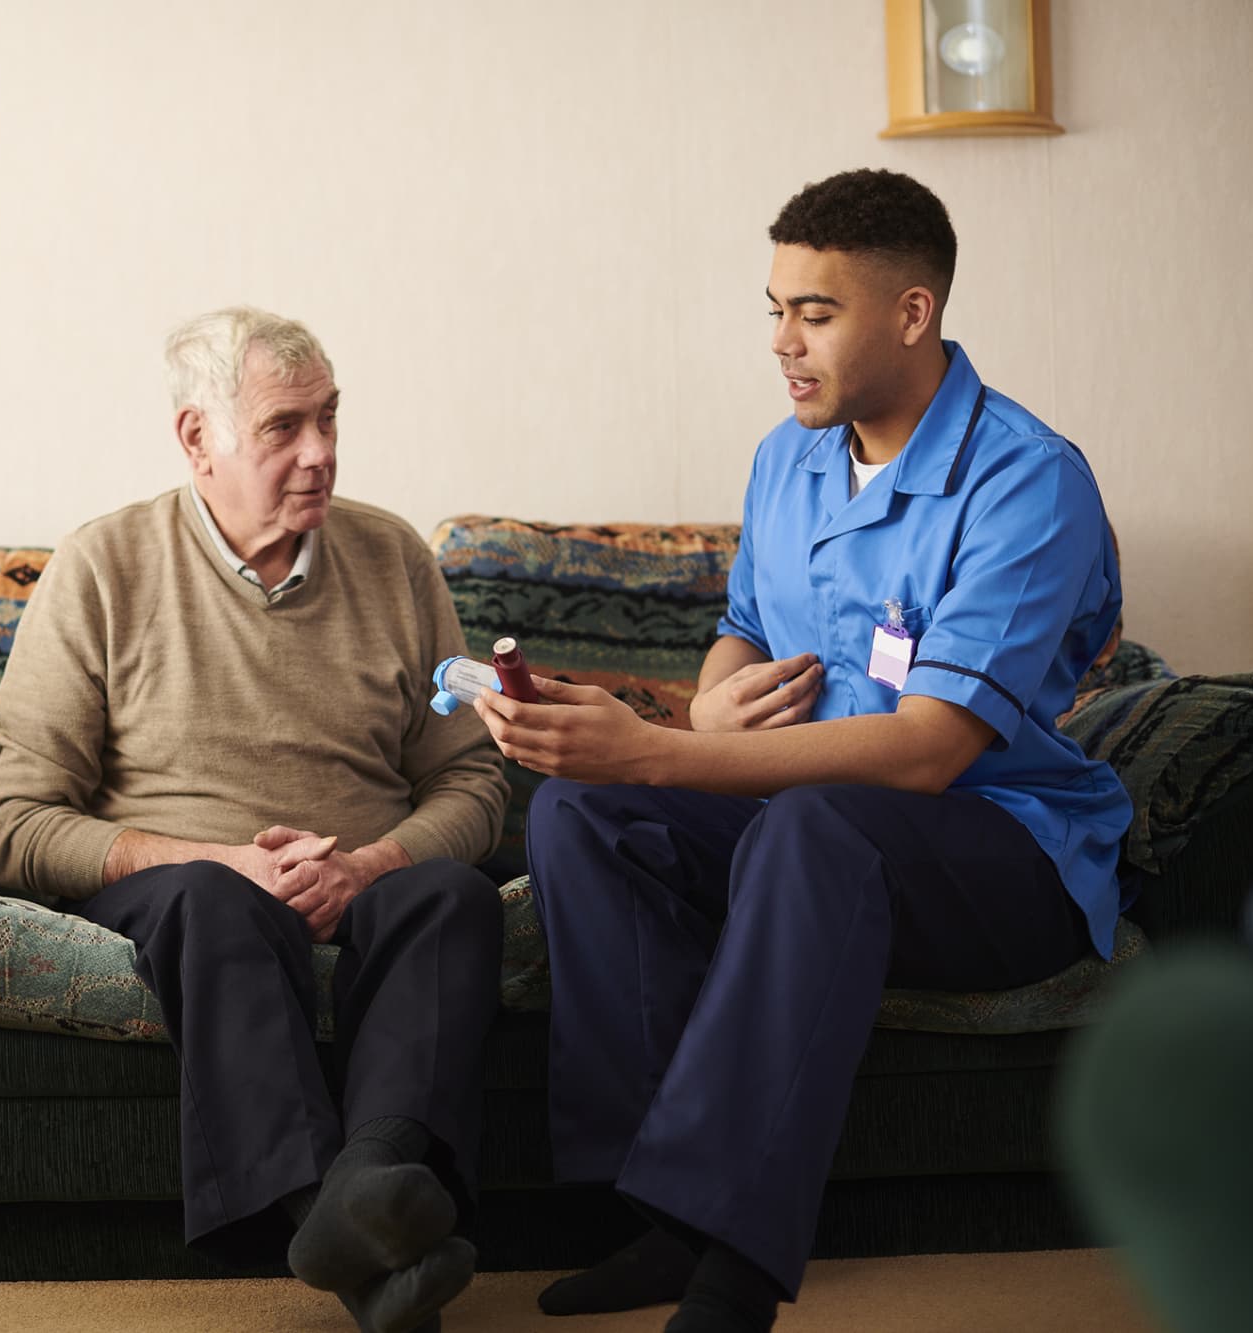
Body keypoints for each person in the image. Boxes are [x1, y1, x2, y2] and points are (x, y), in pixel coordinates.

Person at [473, 169, 1130, 1333]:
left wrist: (658, 751)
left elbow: (929, 749)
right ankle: (660, 1220)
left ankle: (733, 1263)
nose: (780, 342)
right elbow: (743, 631)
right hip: (806, 831)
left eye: (812, 313)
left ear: (911, 313)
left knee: (805, 823)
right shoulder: (789, 455)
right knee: (582, 813)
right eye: (772, 309)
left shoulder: (1027, 480)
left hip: (998, 851)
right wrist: (710, 708)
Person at [0, 306, 509, 1333]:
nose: (319, 453)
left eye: (328, 419)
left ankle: (367, 1174)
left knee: (448, 897)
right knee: (211, 901)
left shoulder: (393, 556)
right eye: (282, 427)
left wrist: (370, 863)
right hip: (186, 891)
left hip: (371, 878)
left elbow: (474, 785)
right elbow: (18, 826)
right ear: (197, 439)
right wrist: (221, 859)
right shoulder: (102, 565)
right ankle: (342, 1221)